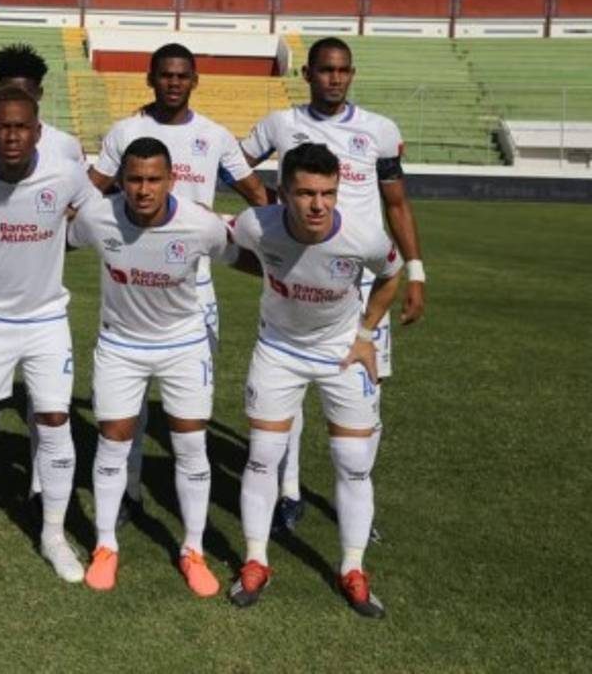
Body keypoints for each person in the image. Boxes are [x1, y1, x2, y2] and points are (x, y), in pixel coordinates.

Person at [241, 36, 425, 533]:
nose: (334, 78)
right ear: (307, 74)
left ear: (352, 74)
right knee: (289, 384)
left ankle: (356, 497)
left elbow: (397, 204)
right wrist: (272, 216)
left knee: (367, 388)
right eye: (325, 70)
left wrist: (415, 270)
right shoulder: (280, 124)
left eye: (343, 70)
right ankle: (288, 491)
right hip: (301, 276)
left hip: (366, 283)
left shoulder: (380, 130)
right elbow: (235, 165)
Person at [89, 43, 269, 524]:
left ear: (194, 80)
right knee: (130, 407)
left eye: (182, 75)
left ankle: (185, 500)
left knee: (187, 408)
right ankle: (128, 491)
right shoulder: (126, 131)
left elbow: (258, 196)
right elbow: (89, 193)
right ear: (150, 78)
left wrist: (273, 238)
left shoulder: (215, 136)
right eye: (165, 75)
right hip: (133, 283)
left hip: (195, 287)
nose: (173, 83)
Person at [226, 143, 402, 618]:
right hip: (278, 352)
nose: (318, 205)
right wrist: (269, 271)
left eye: (328, 193)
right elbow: (226, 244)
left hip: (342, 354)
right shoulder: (256, 224)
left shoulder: (363, 235)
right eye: (305, 193)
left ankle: (353, 569)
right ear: (283, 193)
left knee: (353, 461)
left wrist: (365, 335)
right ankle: (255, 561)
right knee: (263, 456)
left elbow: (391, 275)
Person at [0, 86, 99, 583]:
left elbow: (98, 218)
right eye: (2, 127)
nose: (12, 136)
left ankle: (53, 535)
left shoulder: (66, 174)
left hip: (45, 319)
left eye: (21, 127)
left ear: (37, 132)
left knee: (53, 420)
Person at [69, 137, 235, 595]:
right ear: (121, 180)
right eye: (135, 179)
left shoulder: (200, 225)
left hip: (184, 346)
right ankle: (106, 545)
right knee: (113, 441)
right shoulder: (97, 216)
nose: (144, 189)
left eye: (153, 179)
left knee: (191, 445)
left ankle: (193, 550)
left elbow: (239, 256)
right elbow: (58, 243)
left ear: (172, 180)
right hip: (120, 346)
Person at [0, 43, 85, 514]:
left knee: (45, 404)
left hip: (41, 304)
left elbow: (84, 213)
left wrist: (48, 236)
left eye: (25, 94)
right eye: (7, 91)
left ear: (39, 98)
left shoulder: (64, 148)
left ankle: (39, 484)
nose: (15, 107)